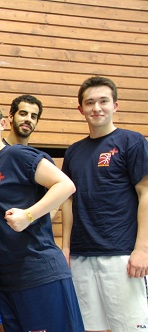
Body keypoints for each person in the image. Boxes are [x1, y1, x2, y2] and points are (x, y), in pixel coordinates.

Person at [0, 101, 84, 331]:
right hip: (8, 279)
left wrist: (29, 215)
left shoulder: (18, 154)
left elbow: (65, 185)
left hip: (38, 273)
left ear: (2, 123)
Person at [61, 76, 148, 331]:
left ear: (115, 106)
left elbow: (145, 195)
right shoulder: (73, 151)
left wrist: (142, 250)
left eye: (103, 101)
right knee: (89, 327)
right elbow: (67, 201)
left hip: (122, 255)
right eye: (89, 103)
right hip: (81, 256)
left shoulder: (132, 142)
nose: (96, 108)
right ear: (81, 109)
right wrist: (66, 248)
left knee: (132, 327)